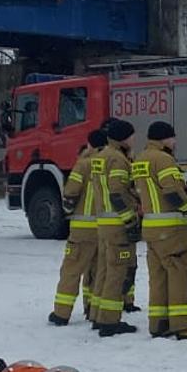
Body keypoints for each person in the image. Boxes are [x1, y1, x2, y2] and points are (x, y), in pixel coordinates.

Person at [134, 122, 187, 340]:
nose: (175, 142)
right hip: (171, 230)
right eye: (173, 138)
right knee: (180, 275)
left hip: (151, 229)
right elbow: (171, 191)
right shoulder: (163, 159)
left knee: (158, 277)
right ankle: (183, 325)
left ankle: (158, 323)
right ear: (164, 138)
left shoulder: (140, 159)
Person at [49, 129, 107, 325]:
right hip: (106, 227)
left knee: (71, 270)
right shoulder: (111, 162)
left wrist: (67, 211)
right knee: (98, 271)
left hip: (83, 228)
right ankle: (93, 309)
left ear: (89, 144)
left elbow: (70, 192)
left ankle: (61, 313)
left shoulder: (83, 164)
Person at [90, 119, 141, 336]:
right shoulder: (118, 160)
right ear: (123, 138)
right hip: (117, 224)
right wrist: (130, 220)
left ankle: (97, 314)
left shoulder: (100, 156)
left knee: (104, 271)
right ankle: (110, 321)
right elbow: (117, 193)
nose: (134, 139)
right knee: (117, 273)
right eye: (131, 136)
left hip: (103, 222)